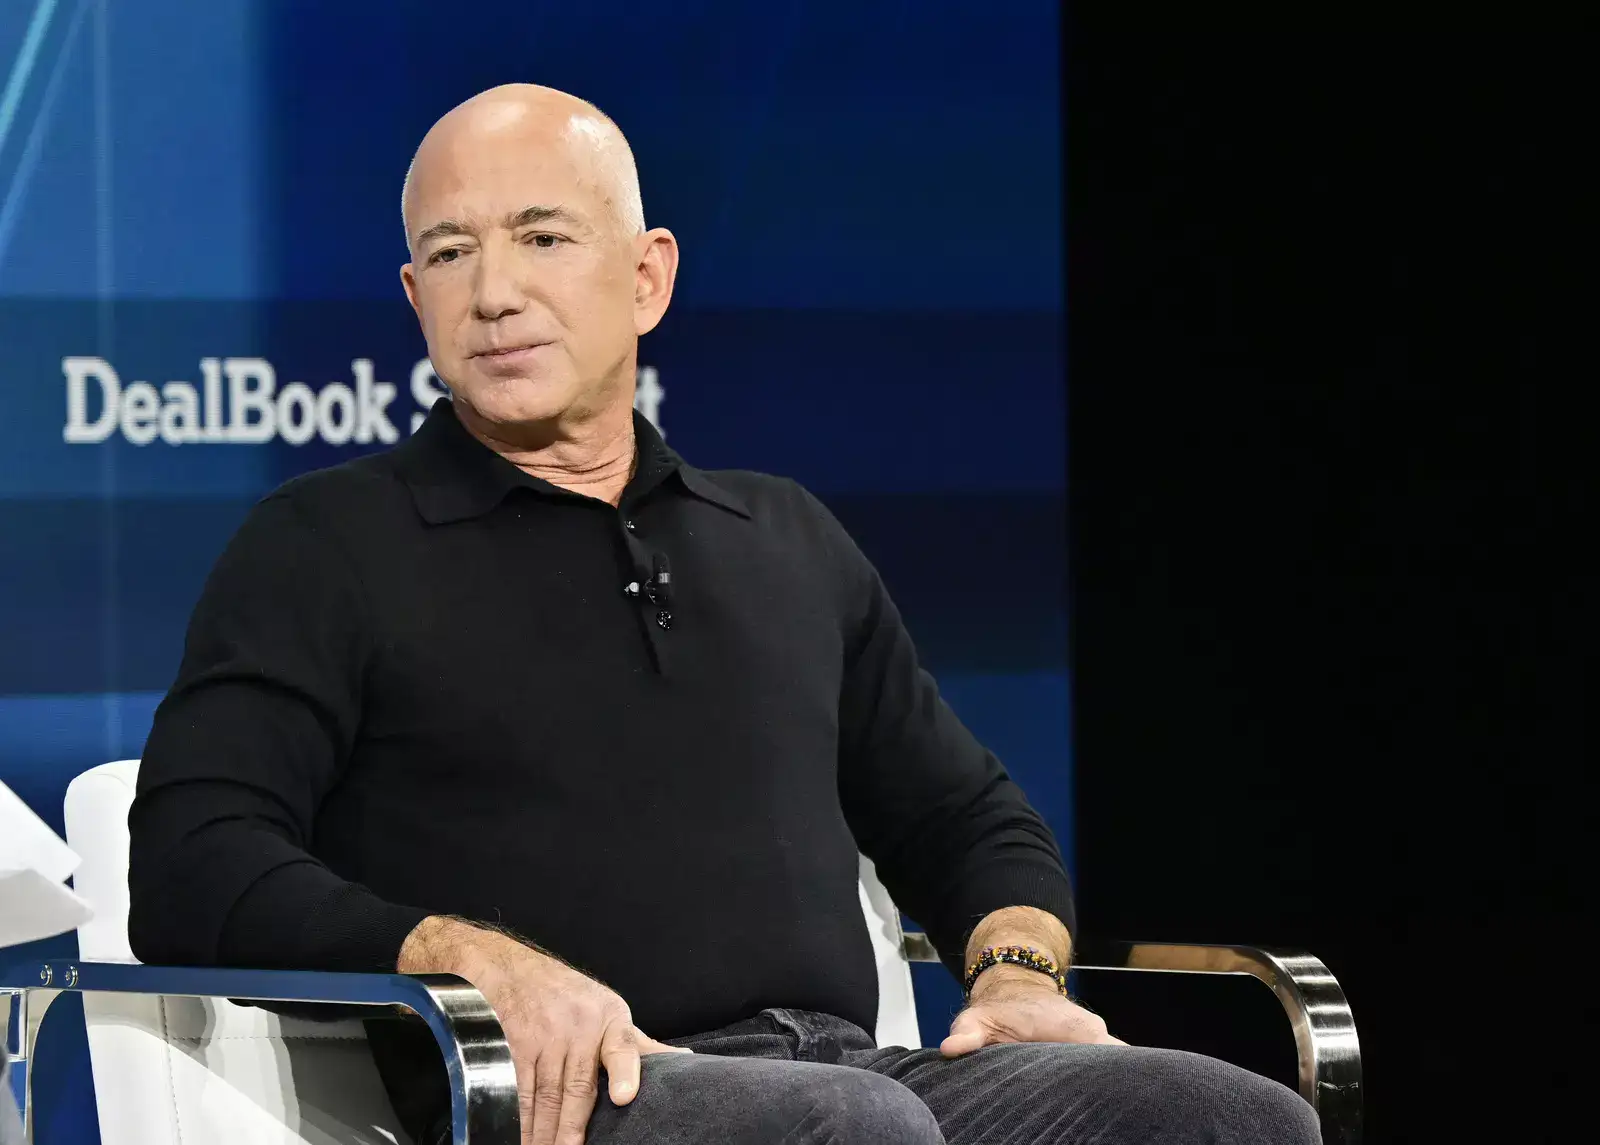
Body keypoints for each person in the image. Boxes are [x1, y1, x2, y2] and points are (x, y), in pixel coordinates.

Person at [127, 84, 1319, 1145]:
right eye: (450, 253)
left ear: (647, 276)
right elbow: (193, 858)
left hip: (856, 1075)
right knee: (856, 1125)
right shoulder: (325, 540)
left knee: (1230, 1114)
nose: (493, 292)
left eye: (543, 236)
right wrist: (465, 955)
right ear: (413, 294)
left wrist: (1014, 972)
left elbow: (966, 818)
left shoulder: (782, 534)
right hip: (563, 1094)